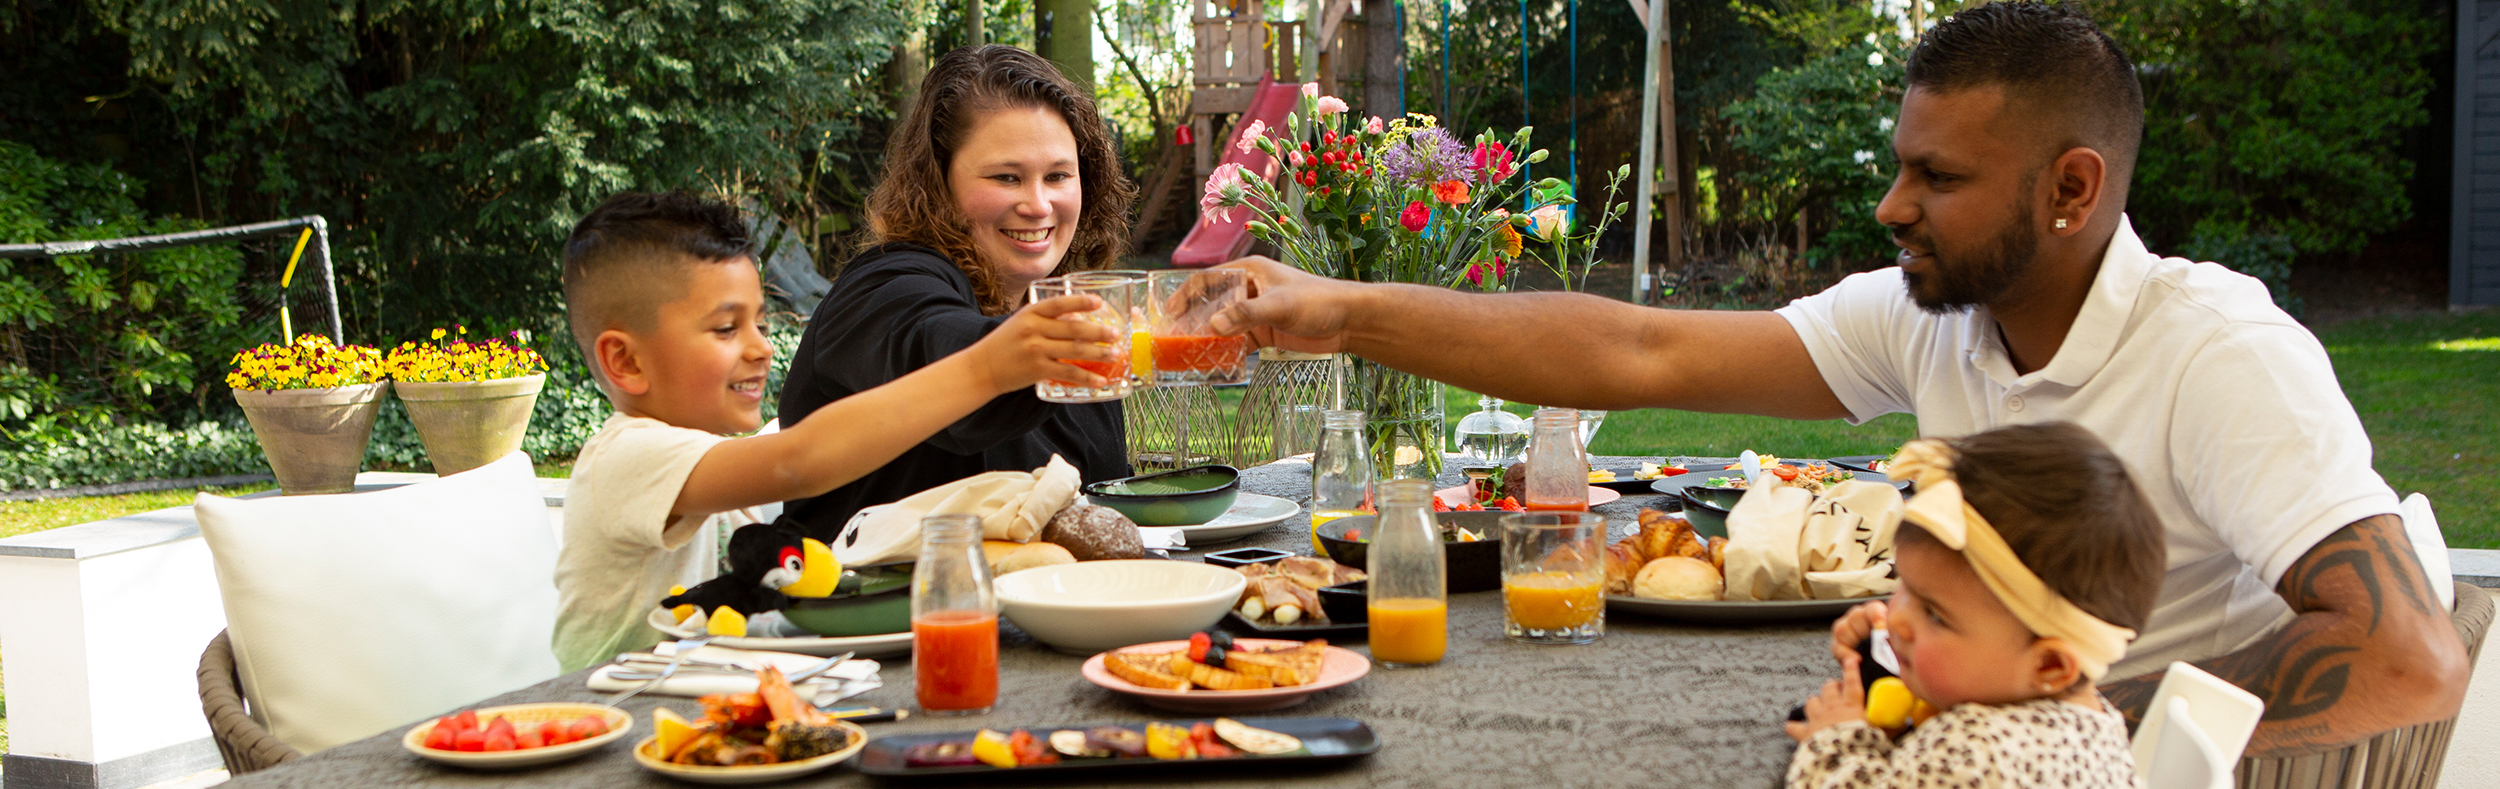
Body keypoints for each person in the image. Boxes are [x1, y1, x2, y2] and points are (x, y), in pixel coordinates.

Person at [1207, 1, 2466, 757]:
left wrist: (2028, 731)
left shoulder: (2218, 355)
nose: (1891, 204)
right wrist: (1337, 311)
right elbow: (1637, 351)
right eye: (1901, 164)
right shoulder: (1943, 320)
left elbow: (2406, 654)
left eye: (1940, 179)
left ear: (2072, 191)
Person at [549, 191, 1117, 671]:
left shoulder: (707, 462)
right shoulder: (626, 455)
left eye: (761, 323)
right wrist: (985, 368)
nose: (761, 347)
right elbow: (802, 459)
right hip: (612, 716)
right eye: (726, 328)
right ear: (625, 362)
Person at [776, 45, 1138, 540]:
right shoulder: (883, 291)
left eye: (1057, 176)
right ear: (938, 182)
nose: (1038, 204)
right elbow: (942, 354)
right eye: (1006, 177)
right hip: (874, 611)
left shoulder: (1073, 323)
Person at [1785, 423, 2164, 787]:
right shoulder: (2078, 713)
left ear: (2049, 664)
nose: (1896, 617)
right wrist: (1880, 656)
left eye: (1934, 614)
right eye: (1905, 588)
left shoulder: (1981, 753)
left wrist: (1835, 742)